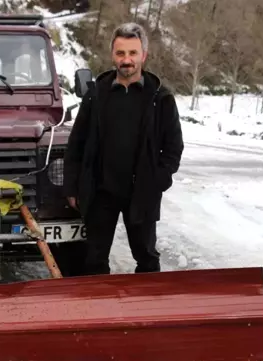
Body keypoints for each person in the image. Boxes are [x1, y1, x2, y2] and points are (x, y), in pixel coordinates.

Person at [63, 22, 184, 276]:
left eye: (132, 53)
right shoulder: (96, 95)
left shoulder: (161, 98)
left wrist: (158, 180)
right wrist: (73, 187)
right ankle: (99, 311)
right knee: (94, 260)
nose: (126, 60)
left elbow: (173, 148)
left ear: (144, 55)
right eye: (121, 53)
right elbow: (76, 145)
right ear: (113, 56)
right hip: (101, 192)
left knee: (147, 258)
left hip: (141, 192)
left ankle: (147, 310)